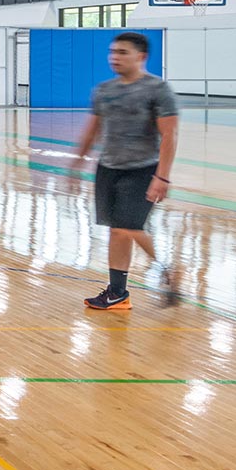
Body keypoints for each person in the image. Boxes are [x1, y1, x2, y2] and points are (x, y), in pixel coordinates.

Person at [74, 32, 180, 311]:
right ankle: (118, 293)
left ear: (141, 56)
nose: (115, 57)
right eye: (113, 52)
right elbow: (93, 128)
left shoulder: (158, 89)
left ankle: (164, 268)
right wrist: (77, 163)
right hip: (108, 168)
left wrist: (162, 176)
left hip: (143, 170)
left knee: (127, 226)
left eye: (122, 52)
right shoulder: (104, 90)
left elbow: (170, 135)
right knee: (117, 231)